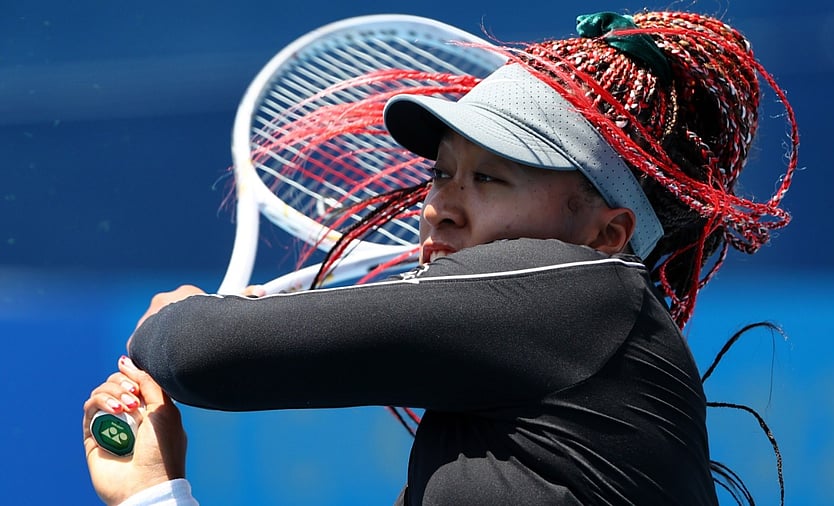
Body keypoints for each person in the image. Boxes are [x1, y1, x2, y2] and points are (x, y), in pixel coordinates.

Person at [83, 9, 797, 505]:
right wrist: (154, 491)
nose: (444, 205)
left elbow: (205, 352)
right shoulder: (477, 450)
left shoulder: (588, 293)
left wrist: (173, 324)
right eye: (440, 173)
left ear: (608, 235)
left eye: (489, 178)